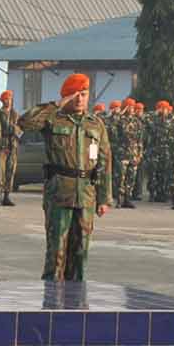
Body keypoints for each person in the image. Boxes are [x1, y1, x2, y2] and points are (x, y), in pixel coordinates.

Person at [17, 74, 113, 281]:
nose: (79, 99)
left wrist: (104, 198)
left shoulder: (95, 124)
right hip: (59, 191)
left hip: (86, 193)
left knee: (80, 252)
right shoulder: (53, 119)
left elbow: (104, 161)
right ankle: (51, 303)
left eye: (84, 95)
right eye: (74, 95)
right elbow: (25, 121)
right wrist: (56, 104)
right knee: (57, 251)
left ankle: (76, 304)